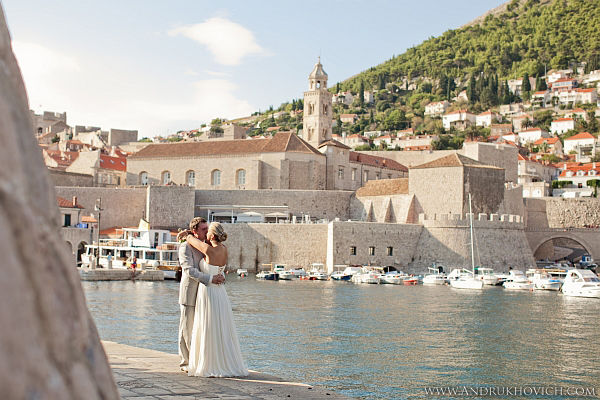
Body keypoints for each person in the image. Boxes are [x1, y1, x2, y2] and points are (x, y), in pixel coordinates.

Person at [185, 222, 248, 377]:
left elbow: (191, 240)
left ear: (212, 236)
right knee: (221, 328)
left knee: (208, 326)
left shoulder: (208, 250)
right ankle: (224, 361)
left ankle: (209, 364)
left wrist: (185, 234)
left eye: (208, 233)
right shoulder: (224, 250)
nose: (205, 235)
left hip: (209, 292)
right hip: (221, 293)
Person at [178, 217, 225, 373]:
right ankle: (185, 362)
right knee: (187, 328)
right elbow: (189, 270)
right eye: (204, 229)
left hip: (205, 294)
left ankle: (197, 360)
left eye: (207, 229)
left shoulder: (206, 245)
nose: (206, 232)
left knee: (199, 329)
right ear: (195, 231)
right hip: (190, 292)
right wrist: (211, 278)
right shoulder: (185, 247)